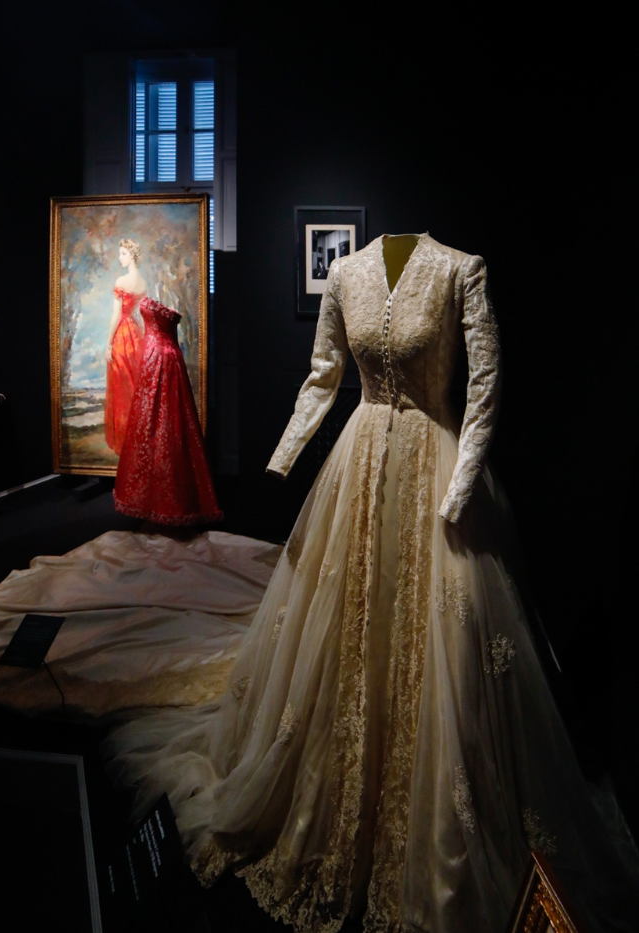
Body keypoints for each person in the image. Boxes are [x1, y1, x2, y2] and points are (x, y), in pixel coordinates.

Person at [105, 233, 639, 933]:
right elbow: (325, 371)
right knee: (342, 636)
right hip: (356, 469)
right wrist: (285, 454)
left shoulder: (460, 271)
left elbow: (484, 385)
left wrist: (464, 483)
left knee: (443, 654)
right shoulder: (347, 273)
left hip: (438, 474)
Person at [113, 297, 223, 525]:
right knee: (158, 425)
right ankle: (154, 500)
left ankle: (170, 502)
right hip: (162, 358)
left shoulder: (153, 309)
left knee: (168, 426)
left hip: (160, 359)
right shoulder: (148, 306)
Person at [104, 238, 145, 455]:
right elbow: (139, 313)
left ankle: (125, 438)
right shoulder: (142, 283)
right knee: (133, 387)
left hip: (122, 335)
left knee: (122, 387)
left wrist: (108, 344)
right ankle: (137, 437)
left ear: (131, 255)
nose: (119, 257)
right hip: (136, 334)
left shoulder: (122, 280)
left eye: (122, 253)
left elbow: (115, 316)